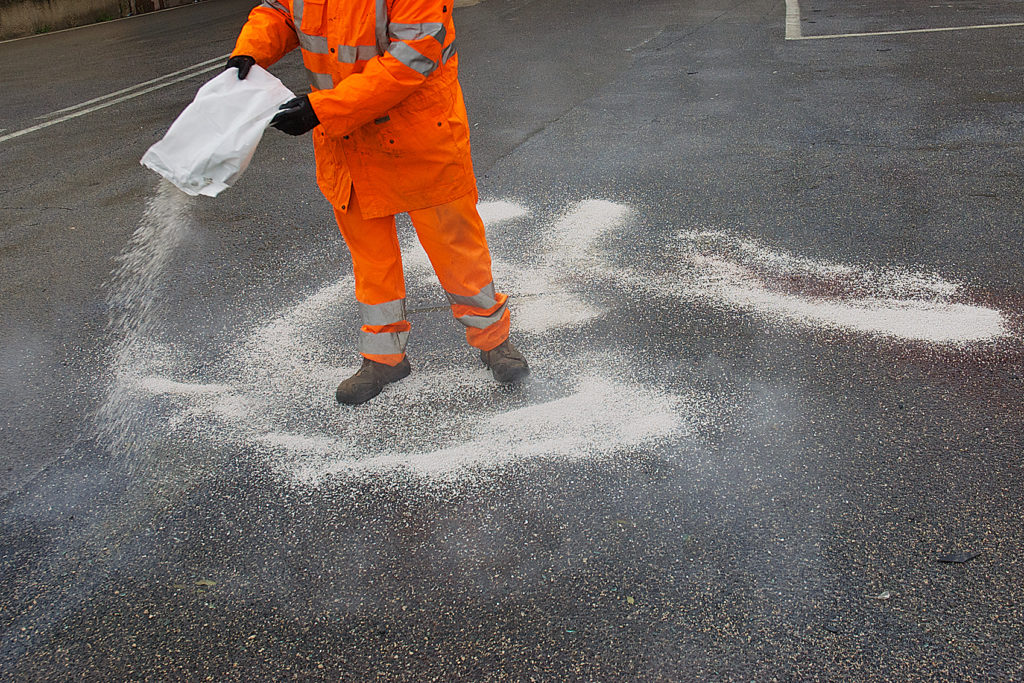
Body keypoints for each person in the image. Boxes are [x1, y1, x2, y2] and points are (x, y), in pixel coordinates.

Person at [227, 0, 528, 405]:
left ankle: (494, 342)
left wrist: (322, 109)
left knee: (456, 246)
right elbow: (280, 11)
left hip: (418, 135)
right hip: (348, 142)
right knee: (371, 259)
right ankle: (384, 359)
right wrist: (250, 49)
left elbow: (408, 62)